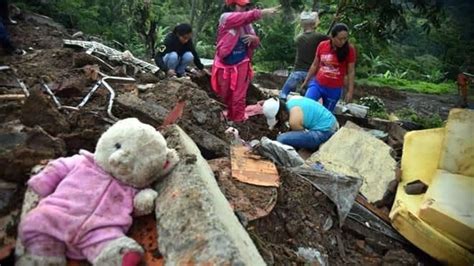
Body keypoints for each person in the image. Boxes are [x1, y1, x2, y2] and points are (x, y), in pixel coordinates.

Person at [211, 0, 279, 122]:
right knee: (223, 93)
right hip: (224, 63)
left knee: (238, 96)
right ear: (232, 5)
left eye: (246, 6)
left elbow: (255, 42)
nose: (244, 9)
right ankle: (224, 116)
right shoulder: (225, 18)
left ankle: (237, 120)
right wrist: (262, 13)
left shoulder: (248, 25)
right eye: (241, 6)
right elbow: (243, 17)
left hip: (241, 62)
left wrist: (254, 39)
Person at [301, 23, 356, 112]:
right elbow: (315, 65)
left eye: (345, 39)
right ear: (332, 37)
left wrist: (350, 91)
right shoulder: (322, 45)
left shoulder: (350, 50)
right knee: (306, 105)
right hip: (318, 84)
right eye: (340, 39)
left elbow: (351, 72)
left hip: (334, 89)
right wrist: (306, 81)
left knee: (326, 114)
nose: (343, 42)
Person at [279, 11, 328, 100]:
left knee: (283, 93)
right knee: (309, 97)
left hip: (297, 70)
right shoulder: (319, 37)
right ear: (314, 24)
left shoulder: (298, 38)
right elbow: (330, 40)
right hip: (311, 73)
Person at [262, 96, 338, 151]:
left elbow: (300, 133)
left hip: (325, 131)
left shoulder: (294, 120)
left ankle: (315, 146)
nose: (279, 121)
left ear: (282, 114)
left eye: (278, 119)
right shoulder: (292, 101)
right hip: (332, 122)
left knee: (281, 139)